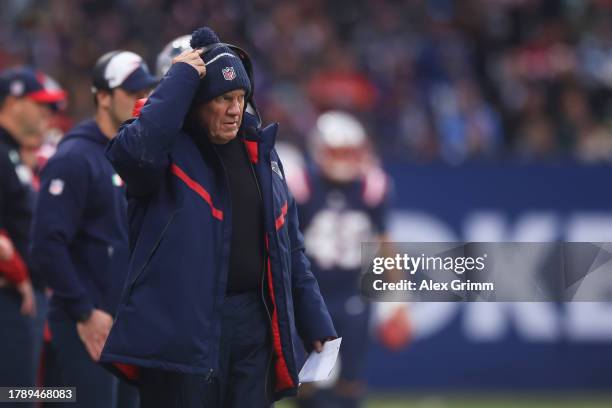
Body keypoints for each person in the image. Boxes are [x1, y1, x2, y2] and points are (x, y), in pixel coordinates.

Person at [100, 26, 337, 407]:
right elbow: (133, 153)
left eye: (241, 97)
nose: (234, 109)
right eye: (223, 97)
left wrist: (314, 319)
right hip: (182, 328)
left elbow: (289, 248)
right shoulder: (166, 153)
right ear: (195, 102)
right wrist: (180, 78)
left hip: (252, 324)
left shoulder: (262, 154)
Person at [29, 50, 156, 408]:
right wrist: (84, 311)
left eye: (145, 93)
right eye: (132, 93)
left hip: (126, 326)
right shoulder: (75, 158)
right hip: (87, 325)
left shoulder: (131, 154)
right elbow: (46, 245)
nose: (140, 102)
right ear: (103, 96)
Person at [289, 111, 405, 408]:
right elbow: (284, 246)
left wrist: (399, 301)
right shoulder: (301, 184)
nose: (342, 159)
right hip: (310, 296)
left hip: (352, 295)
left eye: (348, 152)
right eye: (336, 151)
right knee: (306, 381)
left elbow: (384, 244)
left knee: (351, 381)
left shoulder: (372, 187)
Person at [0, 67, 66, 404]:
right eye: (39, 105)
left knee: (30, 395)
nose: (46, 115)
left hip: (32, 300)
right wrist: (18, 272)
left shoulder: (10, 152)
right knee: (14, 396)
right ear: (12, 101)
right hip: (13, 299)